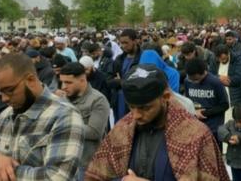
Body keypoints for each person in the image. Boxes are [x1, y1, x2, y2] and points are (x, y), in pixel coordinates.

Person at [85, 64, 229, 181]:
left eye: (145, 108)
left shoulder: (196, 135)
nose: (136, 116)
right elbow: (97, 176)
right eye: (131, 107)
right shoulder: (123, 129)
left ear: (165, 97)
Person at [0, 53, 84, 180]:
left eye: (10, 90)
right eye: (0, 92)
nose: (4, 98)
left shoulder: (65, 116)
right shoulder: (5, 115)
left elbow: (58, 177)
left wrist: (6, 170)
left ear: (30, 80)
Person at [58, 62, 110, 170]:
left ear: (82, 80)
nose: (63, 87)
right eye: (62, 82)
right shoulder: (64, 98)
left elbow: (94, 132)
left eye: (68, 82)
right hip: (64, 160)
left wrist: (64, 125)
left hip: (86, 164)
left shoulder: (98, 100)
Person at [185, 58, 229, 148]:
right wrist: (194, 112)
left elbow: (224, 105)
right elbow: (188, 101)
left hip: (213, 128)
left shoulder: (215, 82)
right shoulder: (187, 81)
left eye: (196, 79)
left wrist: (204, 113)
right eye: (191, 79)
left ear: (204, 72)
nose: (194, 82)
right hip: (195, 127)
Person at [109, 29, 142, 122]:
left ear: (135, 41)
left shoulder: (142, 58)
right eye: (121, 43)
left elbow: (140, 81)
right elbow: (109, 80)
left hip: (136, 101)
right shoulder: (118, 60)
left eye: (126, 43)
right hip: (119, 100)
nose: (123, 46)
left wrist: (121, 81)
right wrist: (120, 81)